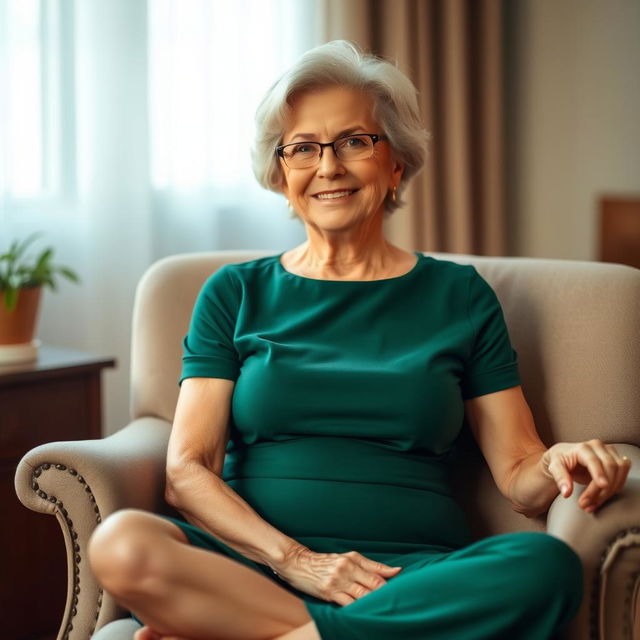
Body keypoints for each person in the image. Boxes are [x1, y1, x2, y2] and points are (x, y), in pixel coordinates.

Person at [87, 40, 631, 640]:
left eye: (354, 141)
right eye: (303, 148)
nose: (329, 166)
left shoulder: (460, 296)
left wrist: (555, 460)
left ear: (395, 162)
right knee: (123, 544)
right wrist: (299, 563)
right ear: (281, 172)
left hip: (407, 577)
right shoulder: (234, 293)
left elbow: (518, 476)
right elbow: (187, 471)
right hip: (250, 567)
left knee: (545, 565)